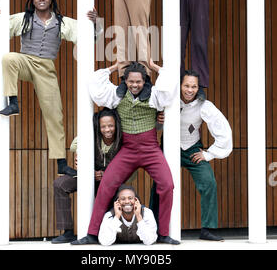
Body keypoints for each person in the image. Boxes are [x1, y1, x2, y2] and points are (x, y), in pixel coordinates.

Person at [0, 0, 102, 176]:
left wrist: (95, 23)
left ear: (51, 0)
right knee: (8, 58)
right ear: (33, 0)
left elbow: (88, 37)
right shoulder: (24, 18)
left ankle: (61, 163)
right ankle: (13, 103)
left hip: (46, 68)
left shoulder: (61, 22)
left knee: (55, 116)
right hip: (25, 61)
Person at [72, 60, 179, 246]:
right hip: (127, 150)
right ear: (125, 81)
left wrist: (154, 67)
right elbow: (95, 84)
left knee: (167, 185)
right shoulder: (117, 95)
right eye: (131, 82)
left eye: (139, 82)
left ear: (145, 81)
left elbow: (169, 81)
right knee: (106, 184)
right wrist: (114, 67)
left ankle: (163, 233)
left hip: (150, 149)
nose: (135, 85)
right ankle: (91, 233)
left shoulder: (154, 95)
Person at [151, 70, 233, 241]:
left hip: (192, 149)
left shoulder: (205, 105)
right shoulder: (168, 101)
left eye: (194, 86)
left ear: (198, 87)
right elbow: (155, 129)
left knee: (208, 182)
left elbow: (222, 129)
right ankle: (155, 228)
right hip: (168, 148)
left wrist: (210, 154)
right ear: (180, 85)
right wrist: (158, 123)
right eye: (186, 85)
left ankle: (207, 229)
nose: (190, 90)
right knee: (160, 185)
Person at [51, 108, 122, 244]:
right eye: (103, 126)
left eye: (111, 126)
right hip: (87, 175)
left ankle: (112, 232)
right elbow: (73, 145)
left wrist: (107, 175)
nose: (107, 130)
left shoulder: (122, 139)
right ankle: (67, 231)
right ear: (98, 126)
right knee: (59, 184)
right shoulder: (92, 133)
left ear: (116, 125)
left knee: (124, 191)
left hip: (112, 180)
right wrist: (82, 159)